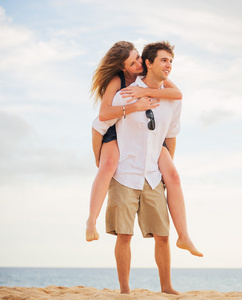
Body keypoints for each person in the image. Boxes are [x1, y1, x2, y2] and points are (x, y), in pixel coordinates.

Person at [86, 41, 202, 258]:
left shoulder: (160, 84)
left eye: (138, 57)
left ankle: (184, 236)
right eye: (133, 62)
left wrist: (163, 166)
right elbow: (101, 118)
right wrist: (97, 157)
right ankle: (91, 220)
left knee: (174, 176)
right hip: (116, 122)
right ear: (123, 67)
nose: (138, 63)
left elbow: (177, 96)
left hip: (150, 139)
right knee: (108, 165)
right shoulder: (118, 83)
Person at [92, 41, 183, 294]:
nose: (168, 65)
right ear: (149, 62)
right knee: (124, 235)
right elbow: (99, 122)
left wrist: (165, 167)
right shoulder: (122, 90)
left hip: (153, 176)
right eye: (163, 60)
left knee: (163, 235)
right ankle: (124, 290)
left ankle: (167, 287)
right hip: (124, 174)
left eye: (171, 61)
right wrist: (98, 158)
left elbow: (172, 133)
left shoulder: (171, 98)